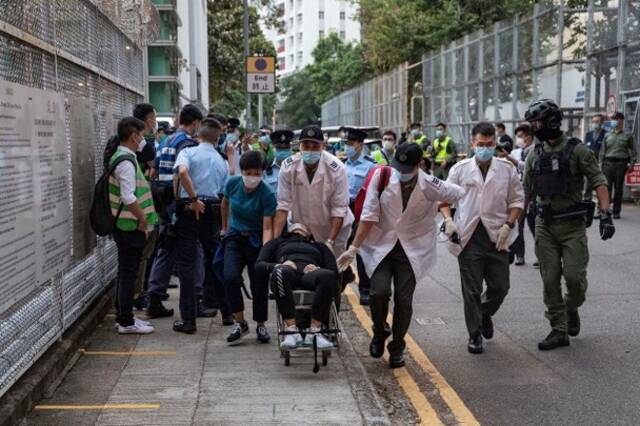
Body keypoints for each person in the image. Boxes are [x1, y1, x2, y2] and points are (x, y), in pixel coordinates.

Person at [337, 144, 464, 368]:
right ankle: (379, 331)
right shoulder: (382, 176)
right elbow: (368, 215)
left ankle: (397, 346)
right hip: (381, 245)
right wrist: (354, 248)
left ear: (419, 165)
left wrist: (448, 218)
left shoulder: (429, 183)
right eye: (399, 167)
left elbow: (457, 193)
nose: (401, 172)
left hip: (412, 248)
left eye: (407, 168)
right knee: (378, 292)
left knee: (404, 300)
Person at [523, 99, 615, 350]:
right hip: (545, 225)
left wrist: (606, 214)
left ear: (552, 121)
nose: (535, 127)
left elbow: (598, 180)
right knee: (549, 278)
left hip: (572, 226)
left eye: (538, 122)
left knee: (574, 279)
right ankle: (558, 329)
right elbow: (526, 192)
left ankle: (571, 307)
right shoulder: (535, 154)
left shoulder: (577, 151)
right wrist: (513, 226)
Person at [440, 122, 524, 354]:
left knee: (500, 287)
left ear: (495, 143)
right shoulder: (460, 169)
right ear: (472, 144)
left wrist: (509, 225)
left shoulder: (506, 169)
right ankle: (474, 334)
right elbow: (444, 199)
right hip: (468, 236)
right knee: (472, 290)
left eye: (489, 144)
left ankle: (485, 312)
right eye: (480, 144)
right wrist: (448, 221)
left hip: (497, 236)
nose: (485, 148)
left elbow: (517, 201)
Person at [147, 104, 213, 320]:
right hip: (180, 204)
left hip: (165, 202)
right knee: (193, 250)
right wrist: (190, 200)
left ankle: (155, 297)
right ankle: (196, 298)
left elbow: (154, 170)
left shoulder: (167, 140)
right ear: (195, 123)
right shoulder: (186, 143)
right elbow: (182, 174)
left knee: (167, 249)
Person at [171, 118, 229, 334]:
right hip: (212, 211)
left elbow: (182, 172)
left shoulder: (188, 152)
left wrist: (194, 198)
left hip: (190, 210)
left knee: (187, 265)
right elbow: (225, 193)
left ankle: (189, 321)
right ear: (218, 138)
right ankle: (228, 313)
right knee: (215, 262)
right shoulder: (221, 160)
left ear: (199, 134)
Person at [220, 150, 277, 344]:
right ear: (242, 171)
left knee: (258, 282)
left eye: (257, 173)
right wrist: (224, 228)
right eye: (248, 172)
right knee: (230, 277)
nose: (252, 177)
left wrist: (265, 251)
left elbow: (268, 226)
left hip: (256, 239)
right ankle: (240, 322)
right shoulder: (232, 184)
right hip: (235, 237)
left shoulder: (268, 193)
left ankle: (261, 324)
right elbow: (225, 203)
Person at [109, 117, 158, 334]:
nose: (143, 139)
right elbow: (128, 197)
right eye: (141, 135)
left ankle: (124, 317)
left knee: (125, 272)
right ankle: (127, 321)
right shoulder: (126, 162)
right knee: (129, 273)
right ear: (133, 136)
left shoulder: (123, 157)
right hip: (130, 226)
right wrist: (143, 220)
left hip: (126, 225)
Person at [274, 125, 354, 257]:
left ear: (323, 146)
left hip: (332, 230)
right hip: (301, 229)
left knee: (332, 270)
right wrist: (275, 242)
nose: (310, 151)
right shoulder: (288, 167)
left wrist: (330, 242)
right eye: (306, 146)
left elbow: (339, 209)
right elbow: (283, 206)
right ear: (299, 146)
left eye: (315, 147)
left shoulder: (337, 169)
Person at [256, 223, 338, 350]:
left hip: (311, 274)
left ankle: (315, 331)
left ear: (309, 233)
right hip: (287, 272)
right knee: (279, 272)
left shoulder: (319, 246)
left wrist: (318, 268)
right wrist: (278, 265)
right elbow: (259, 265)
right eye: (295, 225)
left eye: (303, 226)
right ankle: (291, 331)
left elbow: (334, 270)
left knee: (328, 276)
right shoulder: (276, 243)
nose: (298, 226)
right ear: (288, 231)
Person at [343, 128, 377, 305]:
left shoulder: (371, 166)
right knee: (341, 247)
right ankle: (342, 278)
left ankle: (365, 289)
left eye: (351, 144)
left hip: (361, 210)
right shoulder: (341, 165)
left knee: (361, 251)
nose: (347, 147)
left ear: (360, 145)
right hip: (343, 210)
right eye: (346, 144)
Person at [599, 111, 637, 219]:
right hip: (608, 163)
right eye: (613, 119)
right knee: (606, 188)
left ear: (621, 120)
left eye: (615, 119)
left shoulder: (628, 135)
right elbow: (602, 151)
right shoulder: (607, 135)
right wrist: (600, 164)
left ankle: (616, 211)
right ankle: (605, 210)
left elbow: (634, 151)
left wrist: (632, 165)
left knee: (618, 188)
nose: (613, 121)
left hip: (621, 163)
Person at [510, 124, 537, 266]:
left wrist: (513, 161)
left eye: (521, 136)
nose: (519, 139)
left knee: (535, 225)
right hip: (518, 194)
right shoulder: (515, 152)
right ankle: (519, 255)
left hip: (533, 194)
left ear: (529, 136)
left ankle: (540, 255)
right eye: (518, 136)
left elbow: (527, 167)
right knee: (518, 225)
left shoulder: (537, 151)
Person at [584, 114, 606, 202]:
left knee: (601, 185)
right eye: (593, 122)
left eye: (597, 122)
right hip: (589, 164)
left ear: (602, 123)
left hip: (601, 164)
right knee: (588, 185)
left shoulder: (606, 134)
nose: (594, 124)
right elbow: (585, 148)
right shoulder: (588, 134)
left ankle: (601, 206)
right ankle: (587, 202)